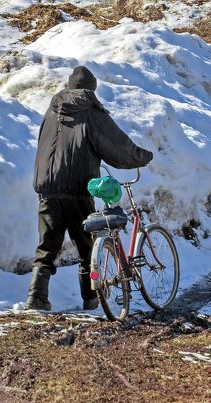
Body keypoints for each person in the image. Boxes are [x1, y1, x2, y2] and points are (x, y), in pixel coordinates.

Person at [25, 65, 153, 311]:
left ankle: (36, 297)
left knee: (47, 244)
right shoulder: (91, 113)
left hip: (47, 187)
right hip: (77, 187)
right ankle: (91, 297)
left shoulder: (52, 111)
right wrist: (141, 157)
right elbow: (117, 146)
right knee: (87, 244)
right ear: (92, 90)